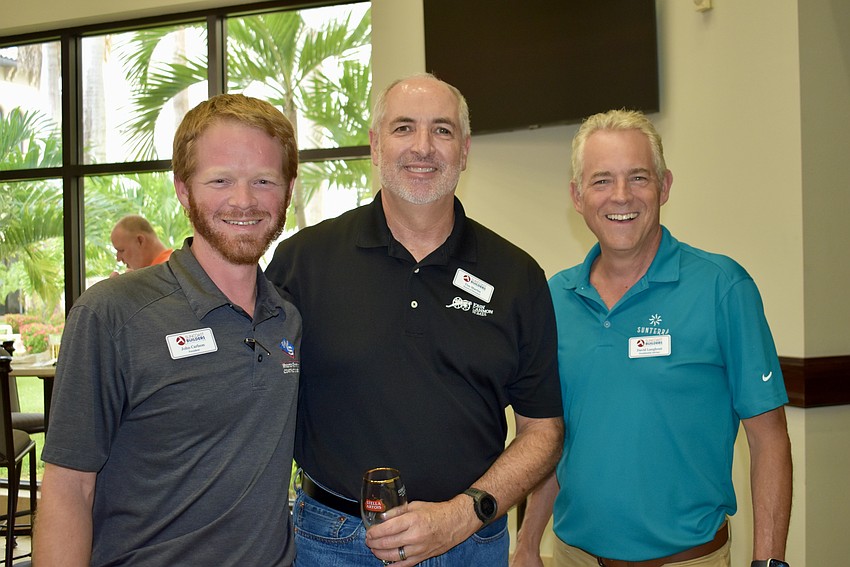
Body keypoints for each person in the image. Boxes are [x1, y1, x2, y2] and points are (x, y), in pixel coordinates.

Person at [265, 73, 564, 566]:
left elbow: (543, 432)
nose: (423, 147)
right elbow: (258, 401)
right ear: (376, 146)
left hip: (472, 541)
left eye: (442, 131)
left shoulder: (516, 276)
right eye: (404, 128)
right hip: (332, 543)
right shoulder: (303, 262)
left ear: (464, 150)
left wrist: (463, 514)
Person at [512, 110, 793, 567]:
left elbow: (769, 439)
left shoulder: (723, 287)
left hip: (689, 560)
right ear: (577, 197)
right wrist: (526, 543)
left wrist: (769, 563)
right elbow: (551, 438)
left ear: (664, 186)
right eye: (601, 180)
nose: (620, 196)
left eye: (638, 177)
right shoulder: (553, 299)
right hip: (573, 558)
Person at [33, 93, 302, 566]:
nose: (244, 200)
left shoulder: (288, 319)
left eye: (263, 181)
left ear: (288, 190)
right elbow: (68, 489)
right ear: (182, 190)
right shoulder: (110, 314)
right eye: (220, 180)